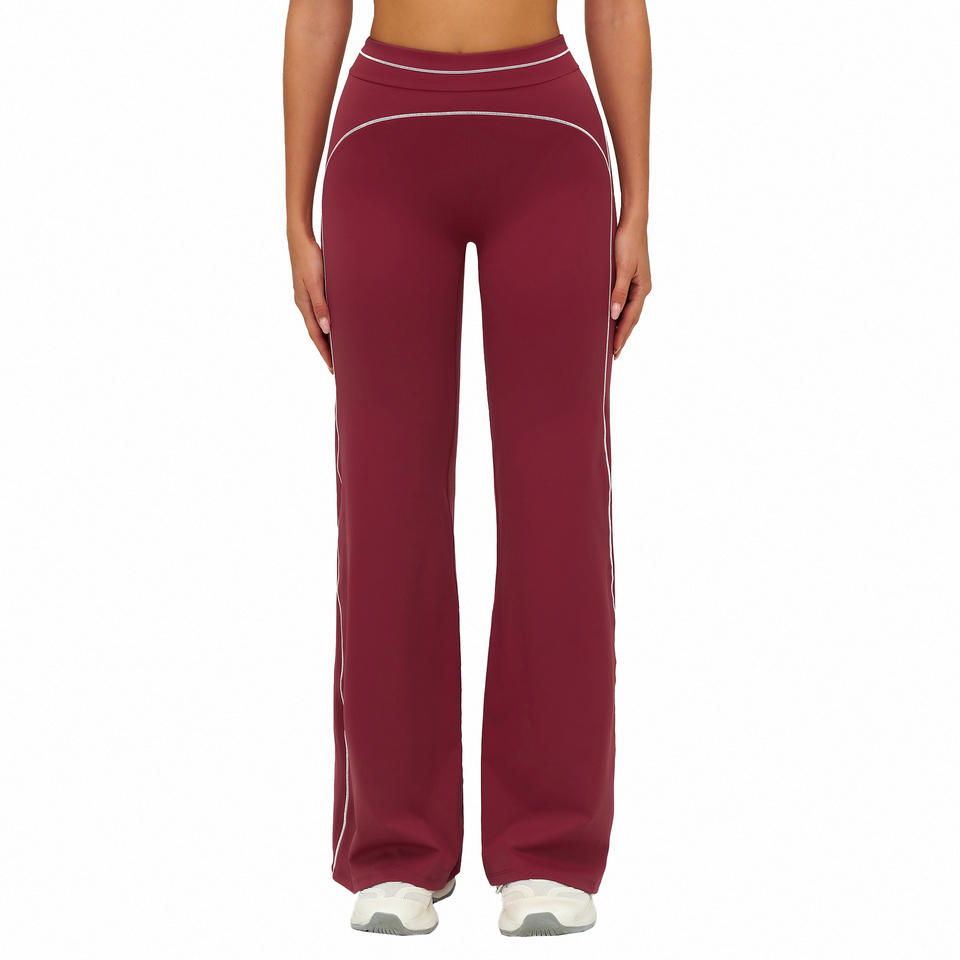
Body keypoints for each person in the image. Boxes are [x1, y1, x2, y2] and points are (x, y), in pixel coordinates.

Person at [283, 0, 651, 937]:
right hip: (382, 142)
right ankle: (396, 848)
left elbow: (616, 7)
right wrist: (293, 215)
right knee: (385, 502)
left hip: (549, 141)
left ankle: (549, 848)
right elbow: (317, 9)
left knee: (558, 503)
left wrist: (639, 208)